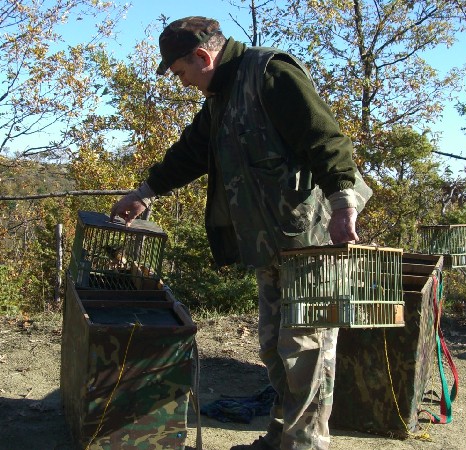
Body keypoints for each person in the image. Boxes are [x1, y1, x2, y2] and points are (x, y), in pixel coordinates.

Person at [110, 16, 372, 450]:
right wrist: (145, 192)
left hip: (313, 244)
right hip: (271, 246)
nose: (182, 82)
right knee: (273, 348)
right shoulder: (220, 96)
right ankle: (280, 435)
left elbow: (327, 140)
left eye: (180, 72)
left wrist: (344, 206)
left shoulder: (272, 73)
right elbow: (192, 151)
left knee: (306, 350)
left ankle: (305, 445)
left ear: (202, 56)